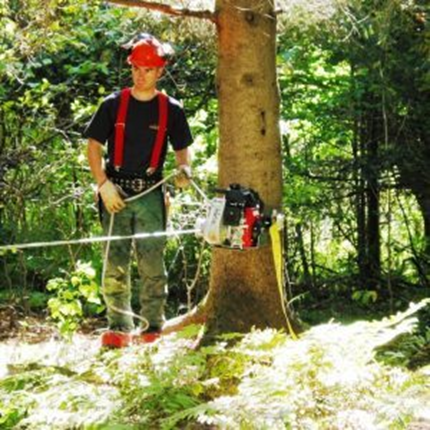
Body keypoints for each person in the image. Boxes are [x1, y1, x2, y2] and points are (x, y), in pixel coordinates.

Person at [84, 34, 193, 347]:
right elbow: (93, 146)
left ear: (159, 71)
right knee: (114, 263)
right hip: (115, 191)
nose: (140, 74)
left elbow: (182, 151)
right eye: (136, 68)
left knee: (151, 265)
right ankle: (118, 328)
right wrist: (103, 185)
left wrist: (184, 173)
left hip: (151, 194)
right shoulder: (113, 105)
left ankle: (151, 330)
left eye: (148, 69)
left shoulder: (170, 109)